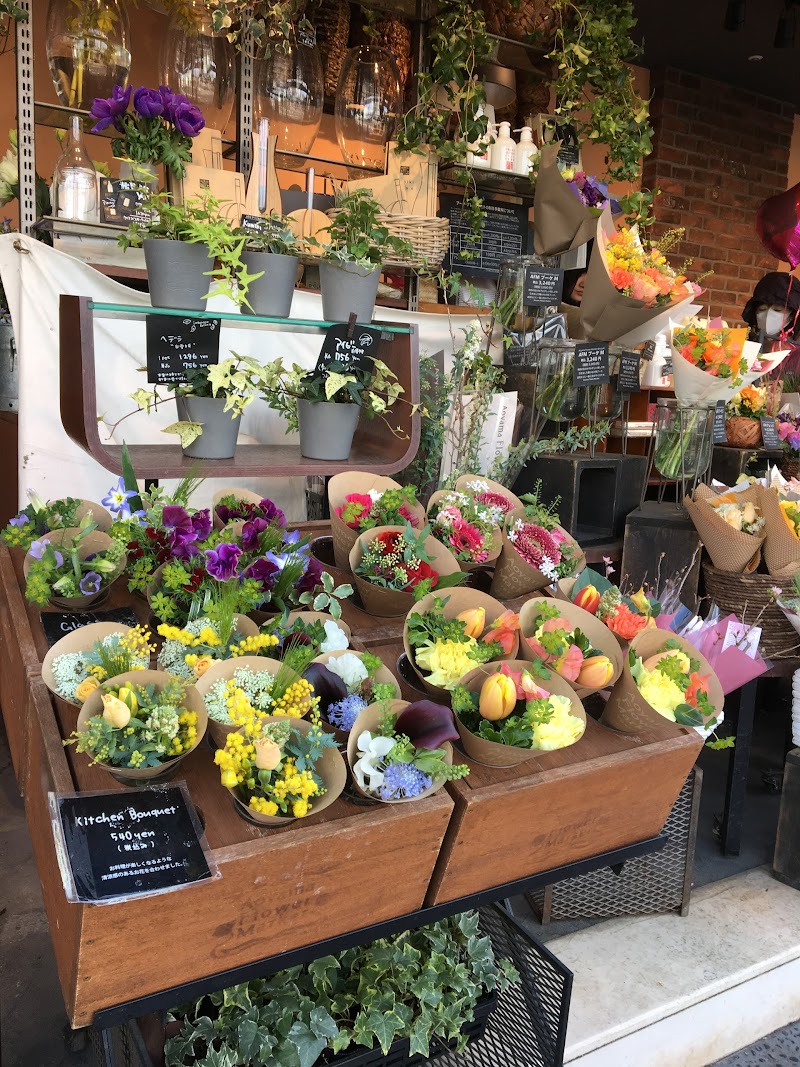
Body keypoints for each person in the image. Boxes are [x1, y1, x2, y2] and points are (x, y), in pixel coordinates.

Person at [742, 271, 800, 345]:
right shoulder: (744, 344)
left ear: (791, 316)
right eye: (762, 309)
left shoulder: (796, 349)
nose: (768, 316)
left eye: (777, 310)